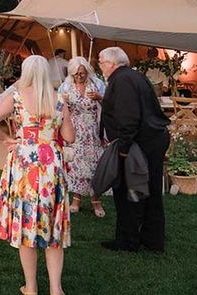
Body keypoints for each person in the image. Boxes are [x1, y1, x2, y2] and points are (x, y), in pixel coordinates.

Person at [0, 55, 75, 295]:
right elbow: (69, 137)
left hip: (24, 163)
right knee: (53, 226)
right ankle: (56, 291)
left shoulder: (16, 97)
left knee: (27, 225)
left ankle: (32, 288)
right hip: (51, 165)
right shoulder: (58, 100)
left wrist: (6, 139)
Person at [98, 47, 170, 253]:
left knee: (130, 190)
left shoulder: (121, 80)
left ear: (112, 63)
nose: (100, 66)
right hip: (151, 140)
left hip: (140, 144)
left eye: (101, 62)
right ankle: (152, 240)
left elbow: (129, 117)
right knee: (149, 190)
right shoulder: (133, 76)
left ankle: (128, 240)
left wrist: (124, 148)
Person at [58, 56, 107, 217]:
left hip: (92, 131)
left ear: (87, 72)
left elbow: (110, 103)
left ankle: (95, 200)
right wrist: (62, 101)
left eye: (82, 73)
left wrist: (99, 98)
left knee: (94, 165)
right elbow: (56, 109)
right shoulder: (65, 87)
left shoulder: (97, 84)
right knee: (76, 166)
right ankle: (76, 198)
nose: (79, 77)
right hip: (74, 132)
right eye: (76, 74)